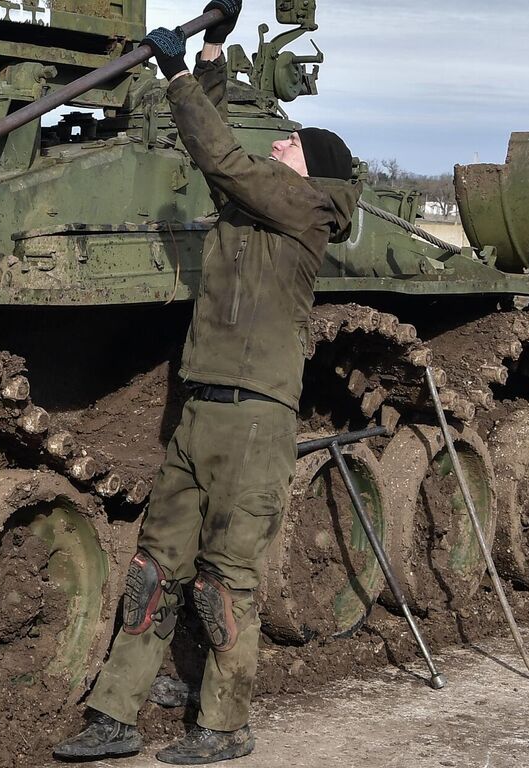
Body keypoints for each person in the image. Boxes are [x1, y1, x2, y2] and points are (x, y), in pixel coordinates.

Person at [52, 1, 361, 764]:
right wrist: (215, 57)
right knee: (156, 569)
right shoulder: (257, 212)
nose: (281, 140)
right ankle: (115, 715)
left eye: (291, 143)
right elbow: (218, 161)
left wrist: (178, 75)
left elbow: (224, 158)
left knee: (228, 581)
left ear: (313, 170)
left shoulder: (307, 210)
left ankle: (224, 727)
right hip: (201, 410)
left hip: (255, 422)